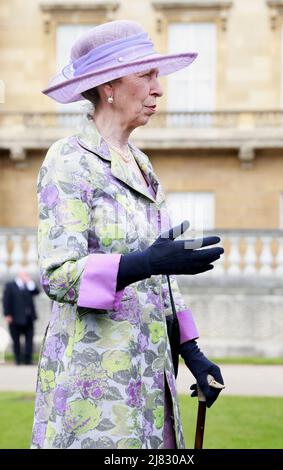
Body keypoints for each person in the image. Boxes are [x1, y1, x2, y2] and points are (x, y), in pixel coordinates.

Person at [31, 20, 224, 449]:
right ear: (108, 87)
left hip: (151, 374)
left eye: (158, 76)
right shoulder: (69, 159)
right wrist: (148, 262)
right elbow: (58, 274)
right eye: (147, 75)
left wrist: (191, 349)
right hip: (95, 385)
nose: (159, 89)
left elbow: (162, 278)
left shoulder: (141, 163)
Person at [2, 267, 39, 365]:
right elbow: (6, 301)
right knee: (16, 341)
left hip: (28, 318)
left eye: (26, 274)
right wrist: (7, 314)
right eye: (24, 274)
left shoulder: (28, 286)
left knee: (29, 340)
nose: (25, 276)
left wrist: (29, 282)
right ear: (19, 275)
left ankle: (28, 360)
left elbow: (36, 292)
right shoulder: (10, 286)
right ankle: (18, 359)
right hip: (15, 318)